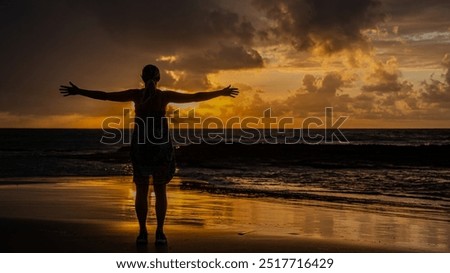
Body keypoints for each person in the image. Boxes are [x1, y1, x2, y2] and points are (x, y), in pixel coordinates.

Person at [59, 64, 239, 245]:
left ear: (142, 78)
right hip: (160, 147)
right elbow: (195, 96)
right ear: (159, 78)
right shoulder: (164, 96)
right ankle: (160, 232)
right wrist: (221, 93)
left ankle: (142, 232)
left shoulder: (136, 95)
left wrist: (80, 91)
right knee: (160, 190)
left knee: (142, 190)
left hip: (141, 147)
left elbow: (106, 96)